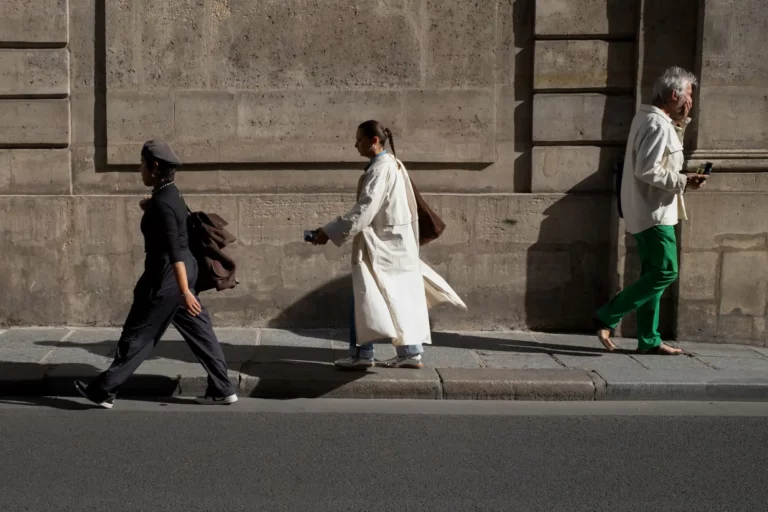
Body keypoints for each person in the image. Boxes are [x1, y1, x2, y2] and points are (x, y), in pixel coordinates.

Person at [75, 141, 238, 408]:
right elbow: (173, 227)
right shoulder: (171, 194)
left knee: (138, 333)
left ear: (155, 166)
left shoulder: (162, 202)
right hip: (185, 272)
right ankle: (223, 387)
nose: (139, 170)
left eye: (142, 164)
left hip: (167, 278)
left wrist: (184, 291)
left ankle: (104, 390)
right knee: (201, 332)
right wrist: (149, 208)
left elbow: (173, 250)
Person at [312, 121, 466, 370]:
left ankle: (362, 354)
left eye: (359, 139)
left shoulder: (380, 169)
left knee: (364, 298)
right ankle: (410, 352)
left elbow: (365, 210)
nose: (355, 145)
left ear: (374, 140)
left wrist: (328, 231)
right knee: (401, 298)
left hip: (381, 247)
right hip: (397, 246)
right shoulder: (394, 164)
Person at [595, 67, 707, 355]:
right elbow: (648, 169)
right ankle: (608, 315)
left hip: (647, 211)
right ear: (674, 95)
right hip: (654, 214)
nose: (691, 102)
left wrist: (680, 124)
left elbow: (660, 159)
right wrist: (683, 180)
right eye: (689, 96)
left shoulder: (651, 119)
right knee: (666, 272)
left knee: (653, 276)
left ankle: (649, 339)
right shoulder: (656, 125)